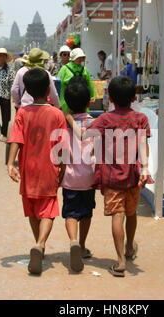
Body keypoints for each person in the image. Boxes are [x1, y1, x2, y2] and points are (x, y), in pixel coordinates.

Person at [65, 76, 152, 278]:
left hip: (111, 176)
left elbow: (83, 136)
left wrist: (69, 119)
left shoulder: (105, 119)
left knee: (117, 215)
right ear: (133, 98)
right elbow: (142, 145)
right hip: (133, 174)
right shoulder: (140, 119)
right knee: (131, 214)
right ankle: (130, 247)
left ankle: (120, 261)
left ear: (110, 98)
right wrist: (145, 168)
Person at [7, 68, 67, 275]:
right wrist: (64, 168)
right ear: (49, 89)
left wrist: (10, 163)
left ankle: (37, 246)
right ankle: (40, 244)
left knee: (32, 208)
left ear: (28, 92)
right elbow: (63, 146)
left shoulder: (23, 113)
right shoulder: (57, 114)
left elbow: (16, 138)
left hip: (28, 168)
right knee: (48, 208)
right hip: (49, 167)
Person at [61, 77, 96, 273]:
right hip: (89, 179)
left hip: (70, 179)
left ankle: (73, 241)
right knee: (86, 213)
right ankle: (82, 245)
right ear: (88, 100)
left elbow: (62, 154)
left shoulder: (64, 125)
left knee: (71, 214)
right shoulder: (95, 124)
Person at [58, 48, 95, 112]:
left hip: (82, 101)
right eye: (78, 57)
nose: (81, 59)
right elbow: (58, 84)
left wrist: (92, 96)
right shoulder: (64, 69)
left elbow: (89, 84)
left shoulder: (84, 69)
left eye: (82, 57)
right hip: (67, 102)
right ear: (73, 58)